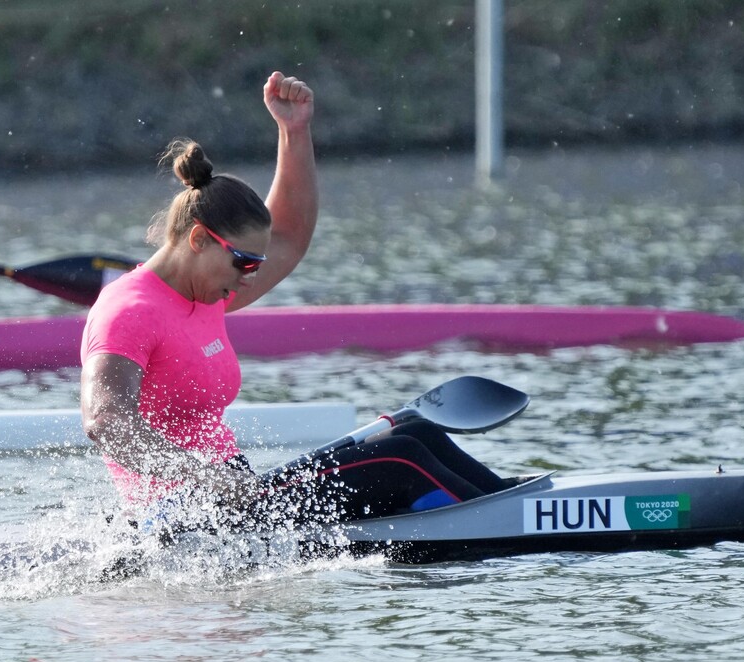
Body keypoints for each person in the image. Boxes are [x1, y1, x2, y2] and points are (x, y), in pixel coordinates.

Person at [79, 71, 507, 534]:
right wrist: (205, 476)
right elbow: (105, 419)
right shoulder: (128, 310)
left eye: (256, 263)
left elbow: (288, 236)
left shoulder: (206, 288)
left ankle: (521, 502)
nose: (251, 277)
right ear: (199, 240)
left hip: (237, 495)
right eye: (245, 262)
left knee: (417, 433)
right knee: (401, 459)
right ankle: (508, 522)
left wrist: (294, 131)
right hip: (185, 516)